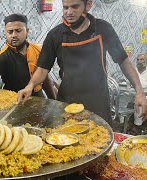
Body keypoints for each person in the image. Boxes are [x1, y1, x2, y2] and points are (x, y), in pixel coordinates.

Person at [17, 0, 147, 125]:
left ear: (88, 4)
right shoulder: (55, 35)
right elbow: (42, 69)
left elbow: (123, 61)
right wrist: (30, 86)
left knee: (99, 141)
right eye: (65, 7)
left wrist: (139, 91)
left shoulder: (103, 29)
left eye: (75, 6)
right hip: (67, 102)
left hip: (98, 102)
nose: (69, 12)